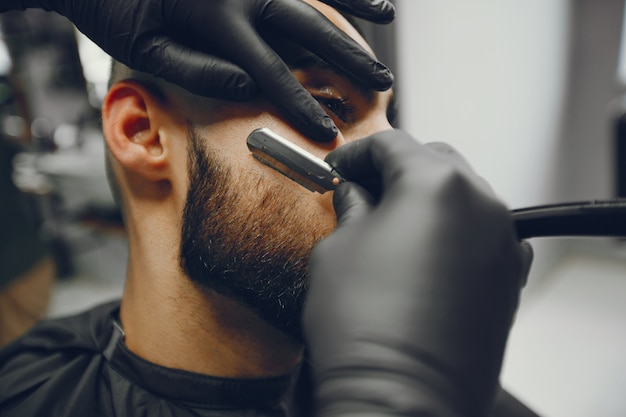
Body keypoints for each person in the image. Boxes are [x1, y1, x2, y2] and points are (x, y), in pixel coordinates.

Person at [0, 1, 536, 416]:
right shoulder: (27, 388)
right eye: (328, 105)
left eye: (390, 122)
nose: (398, 165)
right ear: (141, 133)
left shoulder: (439, 380)